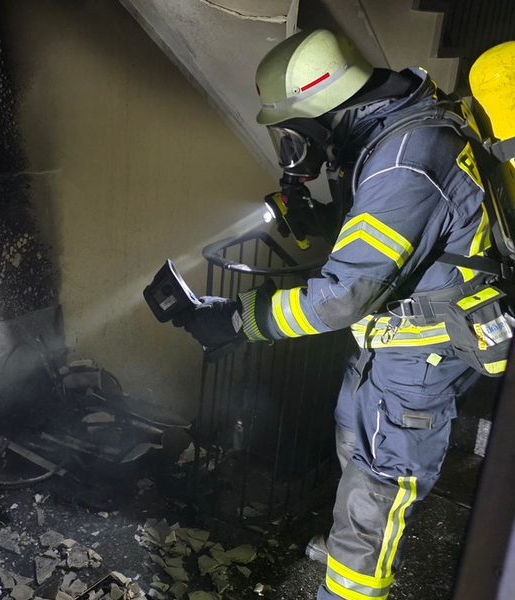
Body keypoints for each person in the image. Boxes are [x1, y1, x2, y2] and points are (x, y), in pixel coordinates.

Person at [176, 29, 489, 599]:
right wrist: (318, 219)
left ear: (330, 111)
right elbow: (394, 242)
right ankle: (350, 535)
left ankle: (350, 582)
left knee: (379, 490)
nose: (292, 151)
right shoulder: (386, 132)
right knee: (353, 440)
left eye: (293, 136)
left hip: (418, 358)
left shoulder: (407, 160)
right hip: (384, 344)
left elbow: (344, 296)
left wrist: (238, 319)